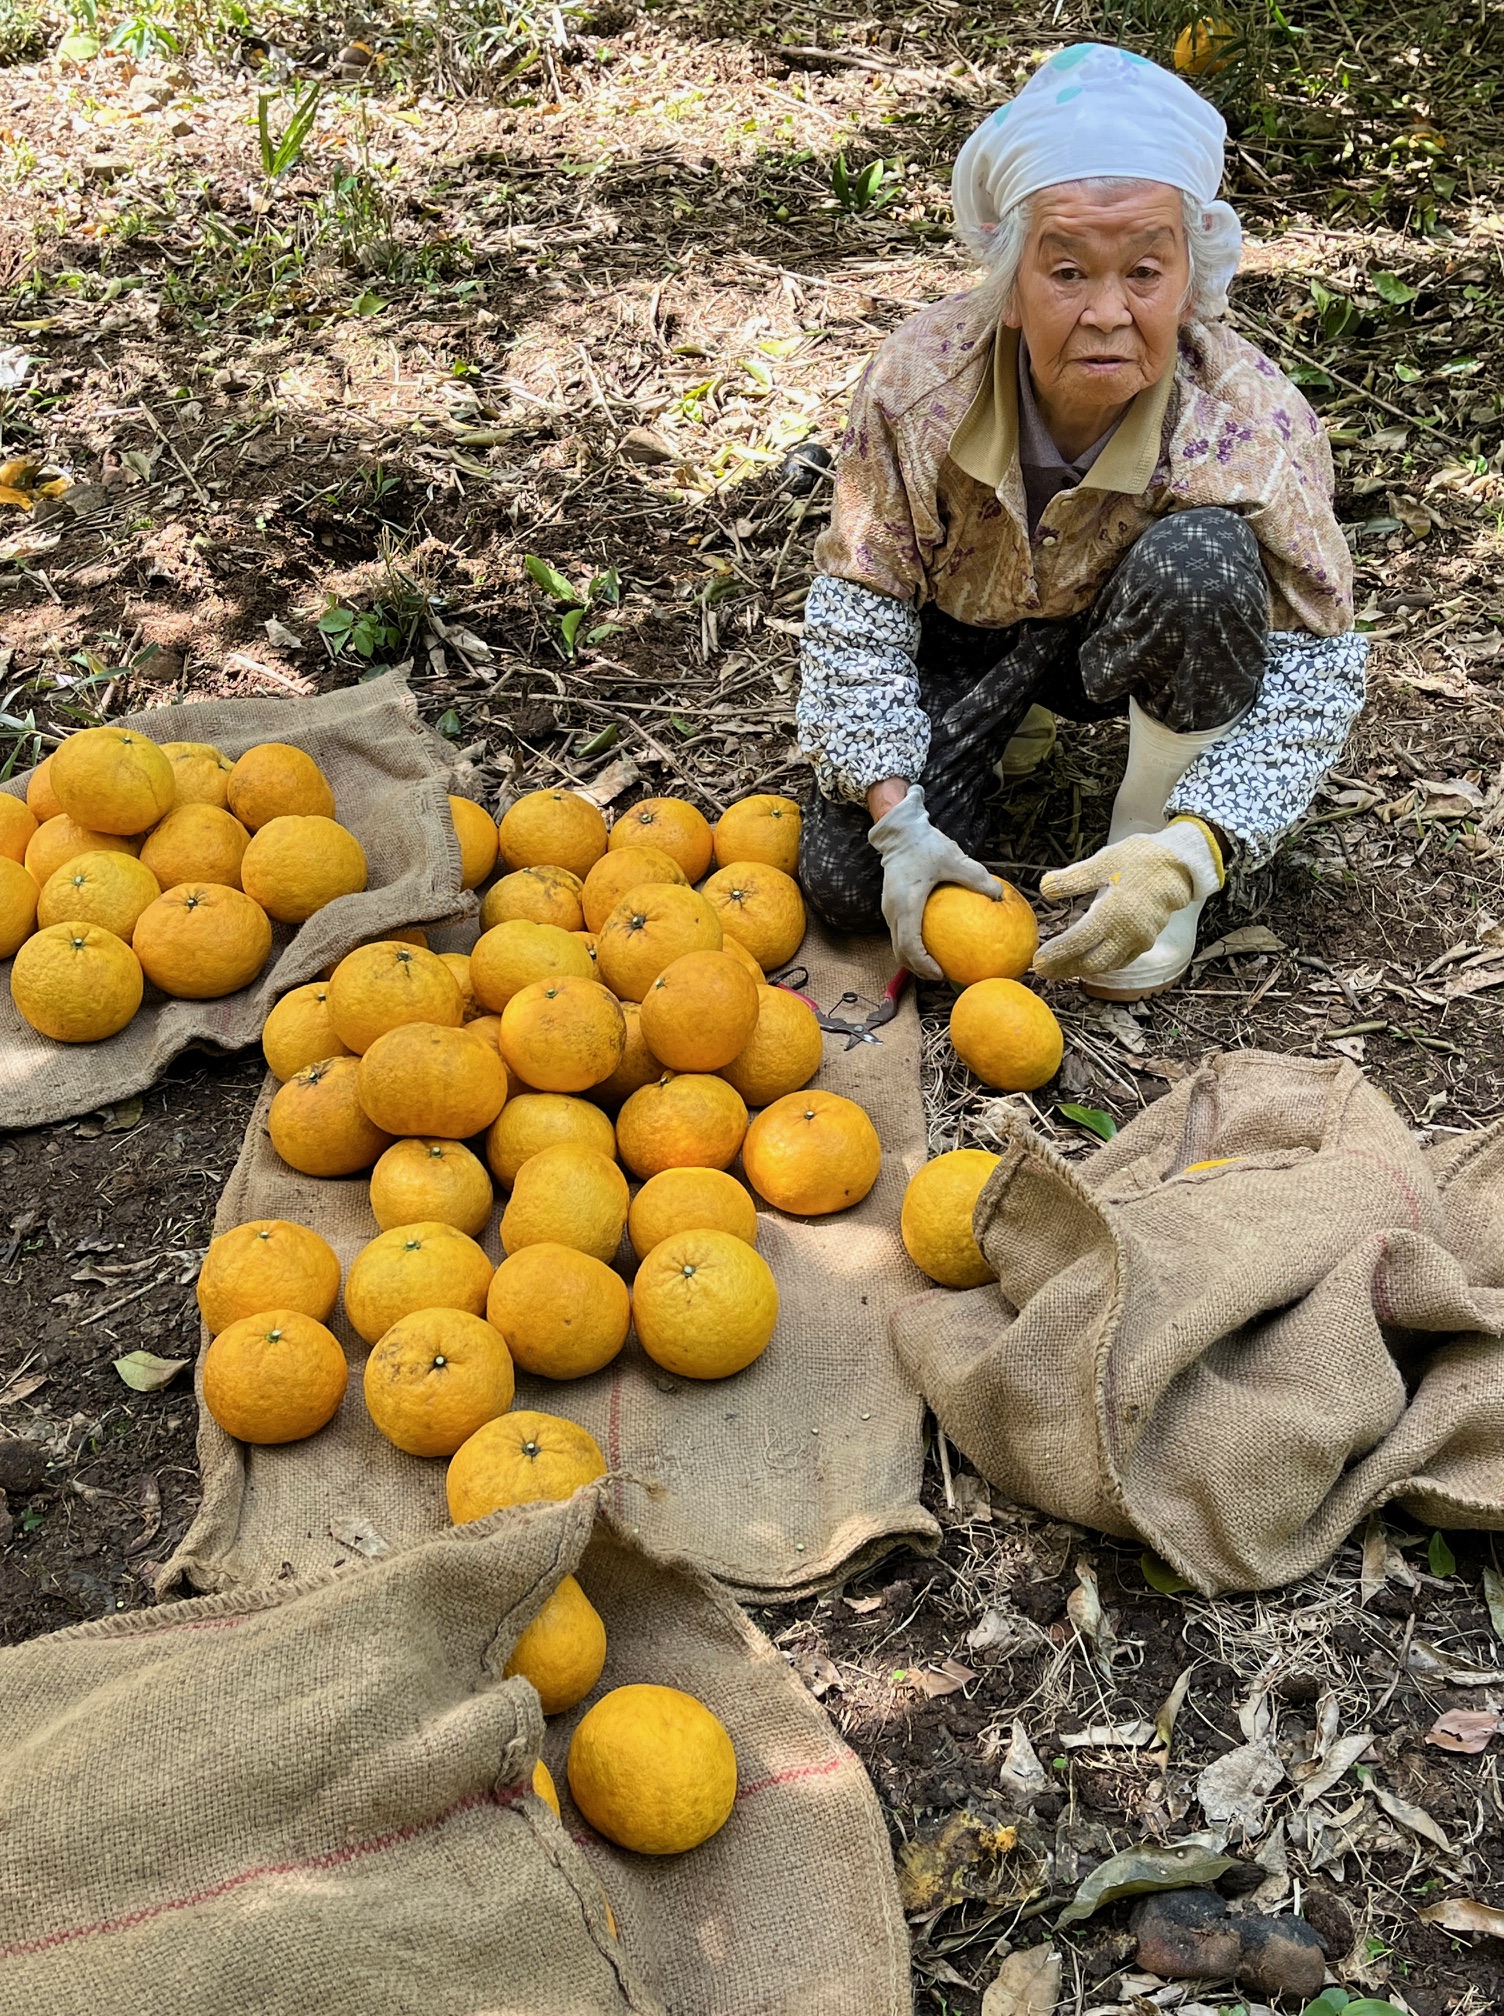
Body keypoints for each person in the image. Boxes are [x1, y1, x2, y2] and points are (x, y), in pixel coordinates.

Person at [794, 41, 1366, 1000]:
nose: (1108, 312)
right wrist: (896, 815)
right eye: (1067, 272)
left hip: (1128, 636)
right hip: (962, 630)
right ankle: (1002, 731)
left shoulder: (1250, 422)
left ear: (1191, 277)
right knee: (850, 888)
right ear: (1011, 281)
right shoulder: (920, 382)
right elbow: (860, 604)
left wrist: (1197, 847)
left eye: (1145, 271)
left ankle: (1147, 825)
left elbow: (1315, 671)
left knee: (1204, 562)